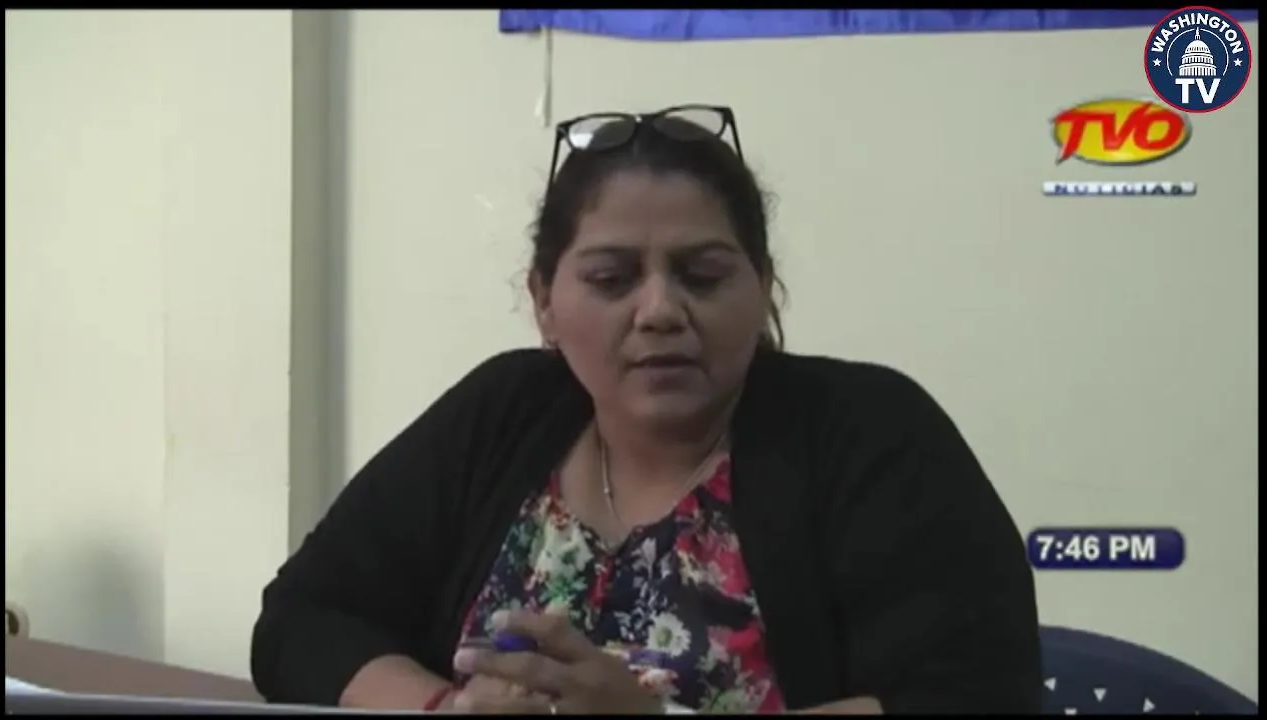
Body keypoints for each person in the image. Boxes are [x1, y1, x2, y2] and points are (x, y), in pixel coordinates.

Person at [249, 105, 1041, 715]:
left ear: (763, 287)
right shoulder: (502, 413)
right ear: (544, 301)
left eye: (702, 275)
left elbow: (977, 697)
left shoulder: (869, 432)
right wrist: (444, 708)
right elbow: (304, 618)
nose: (659, 310)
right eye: (611, 279)